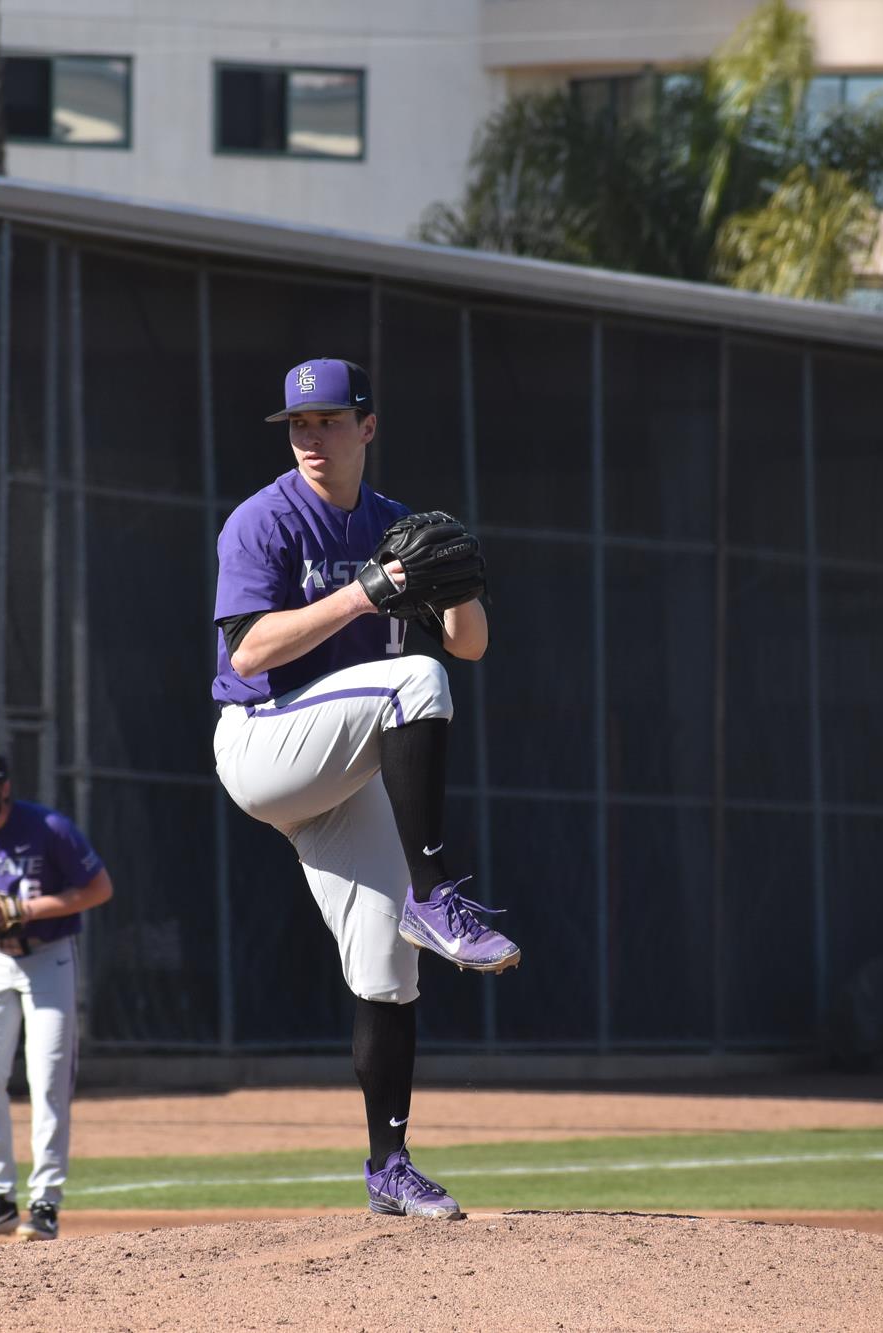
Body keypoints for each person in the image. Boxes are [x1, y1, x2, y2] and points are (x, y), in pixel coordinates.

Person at [211, 357, 519, 1221]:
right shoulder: (262, 521)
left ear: (368, 427)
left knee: (389, 971)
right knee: (411, 682)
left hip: (346, 770)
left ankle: (389, 1163)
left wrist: (461, 582)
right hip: (265, 745)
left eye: (331, 421)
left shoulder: (395, 524)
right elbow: (246, 653)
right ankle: (434, 894)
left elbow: (470, 646)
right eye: (299, 425)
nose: (313, 438)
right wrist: (362, 594)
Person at [0, 747, 114, 1242]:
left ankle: (45, 1204)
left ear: (4, 788)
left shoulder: (49, 828)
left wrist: (25, 910)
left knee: (48, 1081)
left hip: (48, 956)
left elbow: (99, 888)